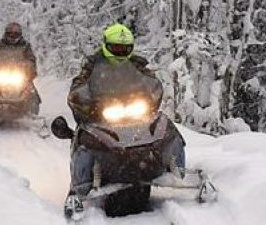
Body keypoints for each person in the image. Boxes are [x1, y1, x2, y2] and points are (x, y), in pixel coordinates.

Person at [65, 23, 184, 198]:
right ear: (106, 45)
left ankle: (178, 169)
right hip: (102, 115)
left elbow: (151, 81)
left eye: (125, 48)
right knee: (85, 139)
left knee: (167, 129)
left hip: (135, 113)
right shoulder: (91, 66)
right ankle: (81, 185)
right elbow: (78, 87)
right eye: (116, 48)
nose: (120, 53)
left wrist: (151, 95)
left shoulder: (136, 64)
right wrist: (85, 100)